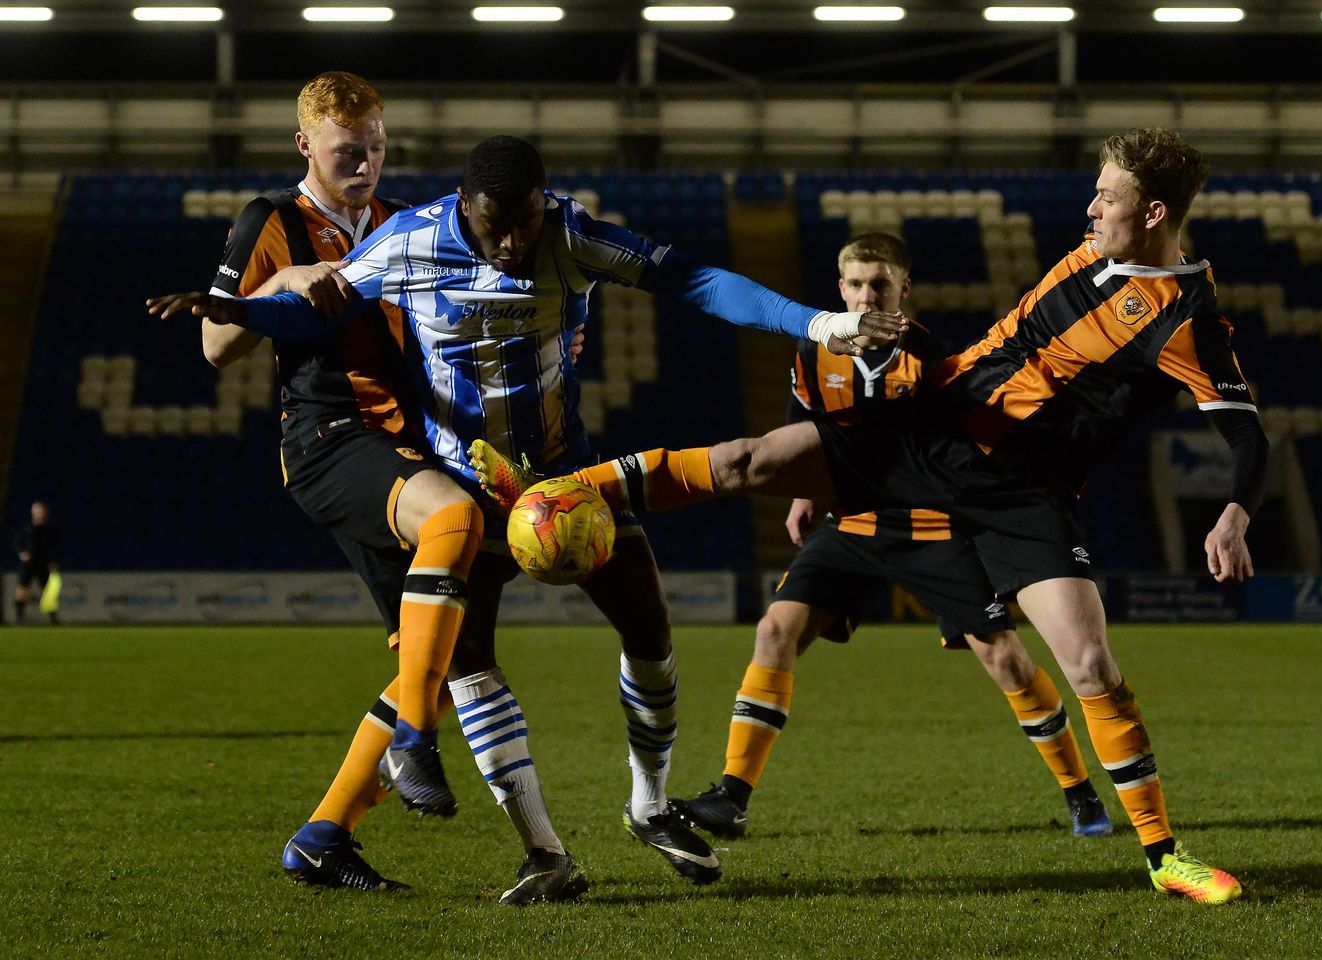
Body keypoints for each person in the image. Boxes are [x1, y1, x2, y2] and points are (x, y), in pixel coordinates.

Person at [476, 128, 1262, 905]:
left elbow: (1247, 433)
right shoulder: (1092, 251)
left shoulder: (1185, 319)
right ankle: (558, 488)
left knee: (1088, 666)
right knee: (752, 460)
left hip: (1024, 493)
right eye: (1096, 189)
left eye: (1108, 196)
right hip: (933, 431)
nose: (1090, 206)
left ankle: (1164, 858)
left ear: (1154, 212)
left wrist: (1234, 511)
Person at [148, 134, 906, 888]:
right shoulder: (409, 241)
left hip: (566, 479)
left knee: (648, 620)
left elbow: (696, 281)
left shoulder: (571, 235)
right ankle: (544, 852)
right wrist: (234, 305)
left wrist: (821, 323)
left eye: (526, 219)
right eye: (494, 223)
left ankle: (648, 803)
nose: (513, 240)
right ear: (466, 207)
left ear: (545, 200)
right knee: (468, 667)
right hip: (466, 485)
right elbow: (320, 311)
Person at [174, 72, 583, 904]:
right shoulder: (273, 221)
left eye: (376, 148)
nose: (364, 162)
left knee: (450, 654)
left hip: (417, 449)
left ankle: (326, 838)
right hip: (330, 440)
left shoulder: (403, 225)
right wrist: (285, 284)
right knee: (453, 524)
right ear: (305, 147)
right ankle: (417, 743)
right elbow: (217, 344)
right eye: (346, 150)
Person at [676, 232, 1111, 842]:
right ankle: (732, 796)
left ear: (903, 291)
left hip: (931, 525)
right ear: (840, 289)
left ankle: (1080, 792)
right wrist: (805, 493)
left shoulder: (934, 358)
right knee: (775, 630)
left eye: (879, 284)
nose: (865, 296)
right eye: (854, 284)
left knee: (1005, 660)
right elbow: (808, 425)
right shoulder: (813, 351)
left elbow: (972, 443)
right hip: (851, 523)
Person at [13, 500, 60, 624]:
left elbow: (55, 546)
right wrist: (22, 552)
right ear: (32, 513)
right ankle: (19, 617)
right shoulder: (26, 529)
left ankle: (53, 618)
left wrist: (53, 560)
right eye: (37, 511)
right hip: (28, 564)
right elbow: (17, 542)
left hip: (43, 564)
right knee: (22, 589)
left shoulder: (50, 530)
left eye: (42, 511)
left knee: (47, 591)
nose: (40, 513)